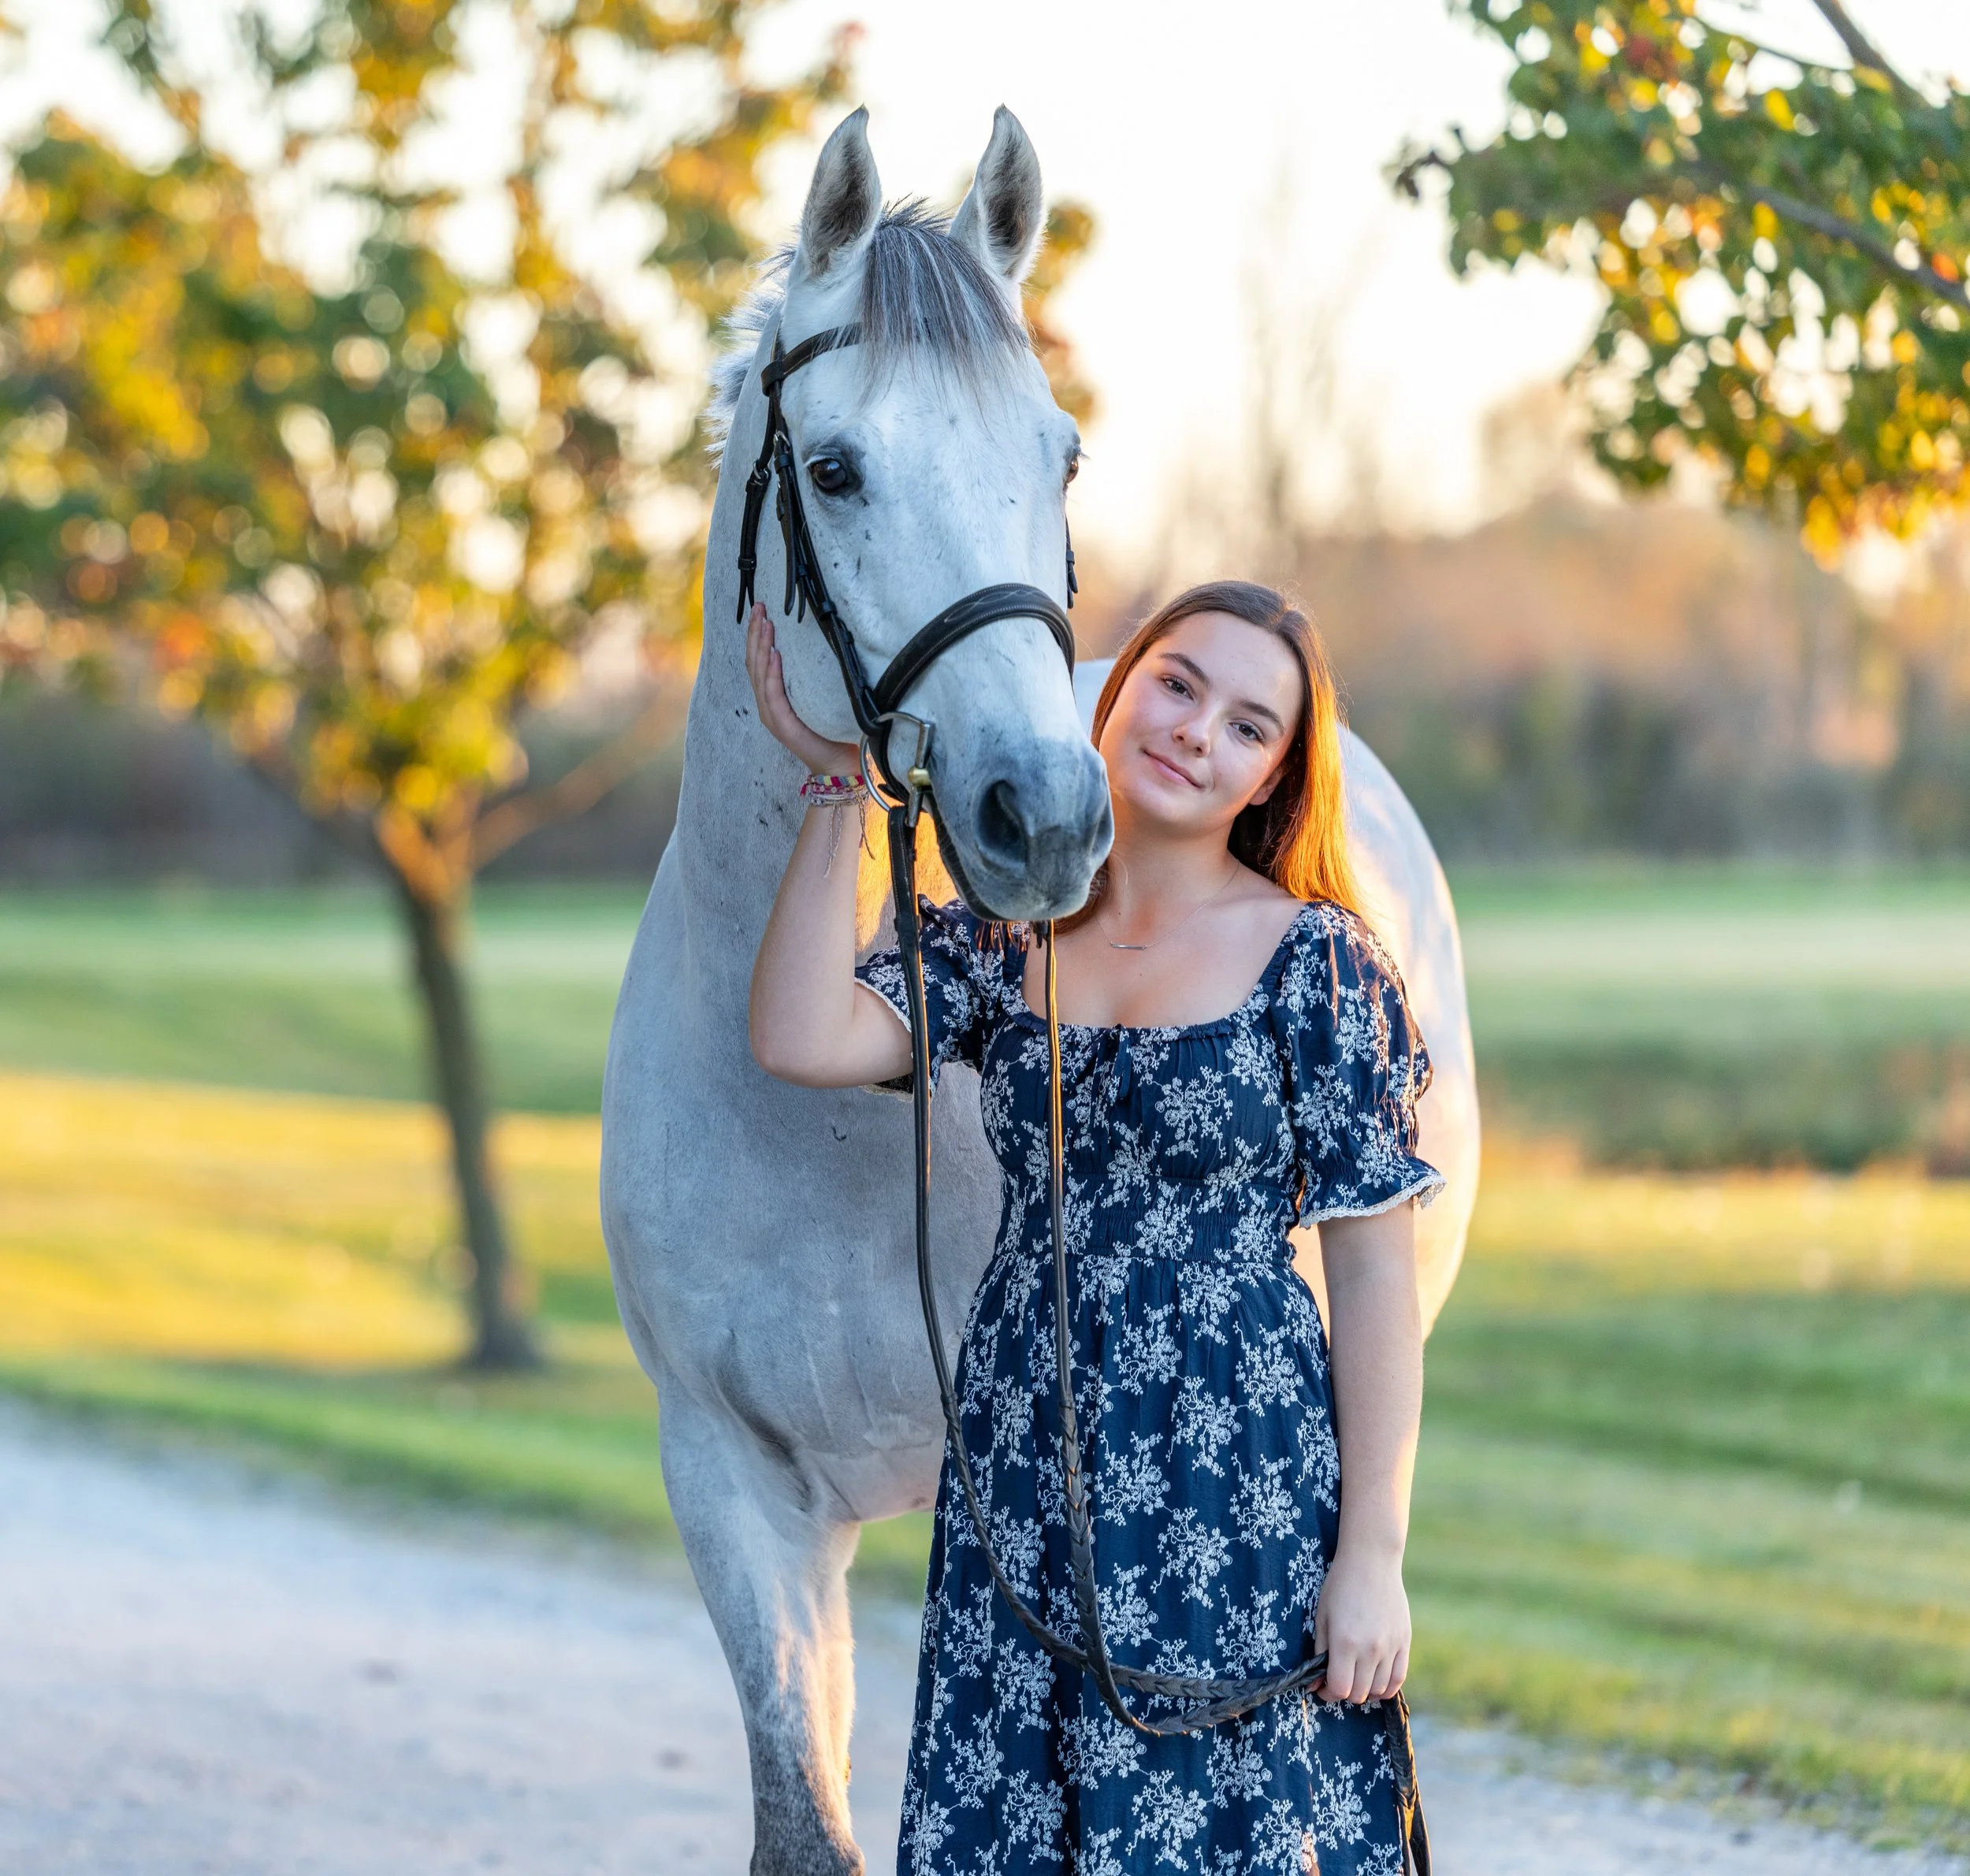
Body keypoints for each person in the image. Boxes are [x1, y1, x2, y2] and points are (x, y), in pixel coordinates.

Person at [747, 578, 1442, 1874]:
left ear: (1273, 780)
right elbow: (798, 1033)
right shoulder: (1009, 937)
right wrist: (844, 787)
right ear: (1115, 694)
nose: (1196, 732)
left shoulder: (1321, 965)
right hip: (1026, 1458)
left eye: (1250, 726)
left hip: (1236, 1477)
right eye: (1178, 684)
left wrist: (1374, 1558)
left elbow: (1377, 1289)